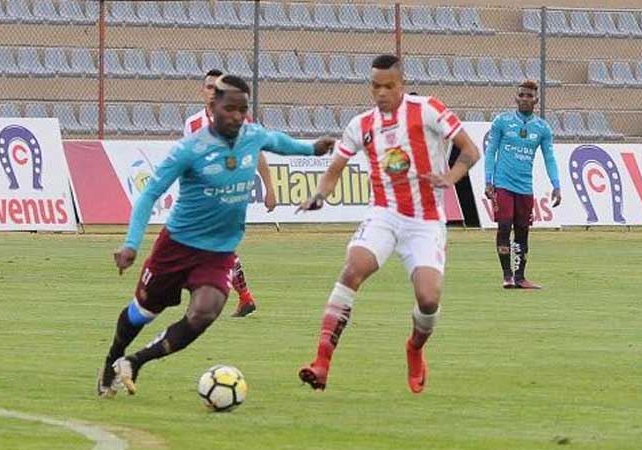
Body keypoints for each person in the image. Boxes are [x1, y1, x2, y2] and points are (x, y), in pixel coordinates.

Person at [97, 75, 335, 398]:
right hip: (176, 247)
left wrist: (313, 148)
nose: (237, 116)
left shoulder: (252, 136)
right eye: (230, 109)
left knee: (205, 312)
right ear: (213, 107)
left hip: (218, 253)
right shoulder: (190, 149)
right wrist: (130, 245)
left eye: (243, 109)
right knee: (142, 312)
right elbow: (149, 195)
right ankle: (112, 359)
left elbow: (280, 142)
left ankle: (136, 362)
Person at [295, 54, 480, 394]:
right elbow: (336, 168)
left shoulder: (428, 109)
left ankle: (414, 348)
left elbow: (470, 150)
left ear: (402, 85)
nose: (381, 93)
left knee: (428, 299)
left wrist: (449, 177)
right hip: (383, 213)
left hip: (424, 219)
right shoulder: (361, 125)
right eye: (376, 86)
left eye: (389, 86)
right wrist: (320, 194)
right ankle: (321, 363)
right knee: (353, 269)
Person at [184, 69, 275, 317]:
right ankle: (243, 297)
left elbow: (257, 154)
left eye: (217, 87)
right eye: (208, 87)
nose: (212, 91)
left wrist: (269, 188)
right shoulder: (192, 123)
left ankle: (223, 298)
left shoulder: (239, 120)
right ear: (203, 91)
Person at [484, 80, 561, 289]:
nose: (525, 99)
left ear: (536, 99)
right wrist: (488, 180)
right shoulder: (502, 122)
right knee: (504, 225)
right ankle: (507, 275)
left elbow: (549, 158)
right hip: (502, 184)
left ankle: (520, 277)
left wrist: (556, 185)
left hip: (525, 187)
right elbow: (491, 151)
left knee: (522, 231)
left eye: (529, 96)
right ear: (516, 97)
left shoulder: (542, 128)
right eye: (522, 95)